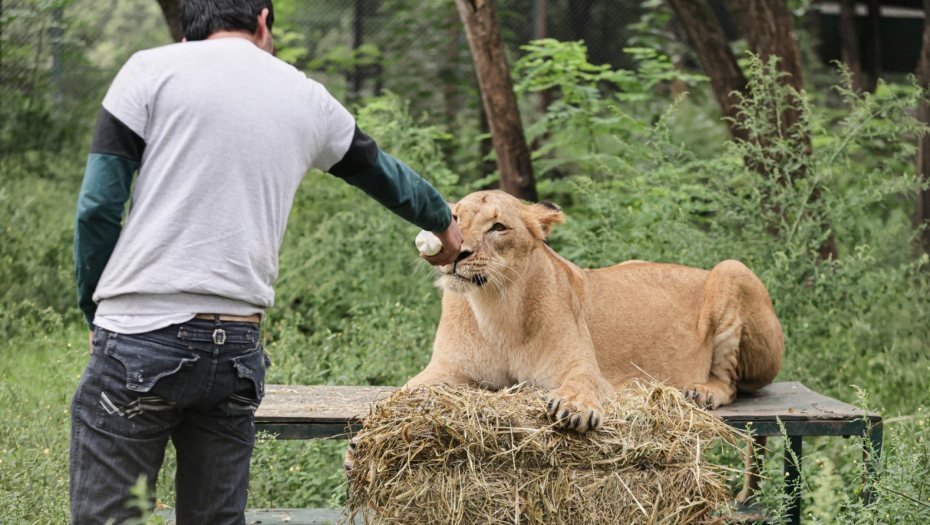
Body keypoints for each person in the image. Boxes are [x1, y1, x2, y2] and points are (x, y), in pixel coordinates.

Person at [70, 0, 462, 523]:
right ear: (261, 19)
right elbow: (382, 173)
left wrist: (93, 307)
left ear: (189, 31)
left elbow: (98, 206)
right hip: (234, 346)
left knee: (107, 517)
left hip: (138, 337)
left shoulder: (149, 69)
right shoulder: (304, 95)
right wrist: (443, 223)